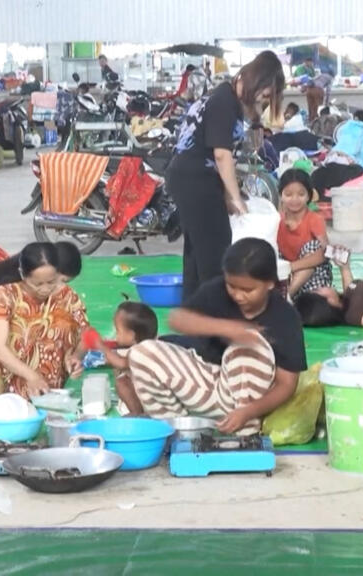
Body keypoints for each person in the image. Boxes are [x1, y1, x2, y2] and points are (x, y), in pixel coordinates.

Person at [124, 238, 307, 435]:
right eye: (232, 286)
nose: (238, 295)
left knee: (249, 346)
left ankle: (245, 433)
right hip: (207, 384)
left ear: (270, 284)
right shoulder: (217, 290)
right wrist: (226, 329)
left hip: (249, 402)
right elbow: (178, 319)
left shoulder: (286, 318)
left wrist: (249, 411)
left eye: (248, 290)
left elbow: (287, 384)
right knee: (142, 353)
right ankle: (177, 430)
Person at [167, 49, 285, 302]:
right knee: (215, 254)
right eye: (265, 94)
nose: (264, 100)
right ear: (258, 81)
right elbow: (222, 155)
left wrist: (230, 194)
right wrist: (235, 198)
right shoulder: (224, 102)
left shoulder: (225, 98)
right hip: (195, 180)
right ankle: (214, 313)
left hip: (192, 179)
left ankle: (194, 312)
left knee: (198, 253)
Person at [0, 242, 89, 399]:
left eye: (51, 282)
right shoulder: (5, 294)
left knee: (62, 322)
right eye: (38, 284)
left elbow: (86, 334)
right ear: (22, 275)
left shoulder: (67, 296)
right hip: (9, 373)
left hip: (46, 378)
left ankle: (45, 384)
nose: (45, 289)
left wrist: (76, 356)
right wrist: (31, 376)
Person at [96, 301, 159, 418]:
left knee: (122, 382)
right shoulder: (154, 344)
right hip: (154, 396)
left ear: (132, 336)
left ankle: (137, 414)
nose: (115, 336)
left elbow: (121, 363)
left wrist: (101, 346)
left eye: (118, 331)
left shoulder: (142, 352)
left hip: (153, 401)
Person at [276, 169, 331, 298]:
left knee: (313, 246)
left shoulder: (314, 219)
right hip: (285, 276)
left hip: (313, 278)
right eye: (288, 194)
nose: (294, 199)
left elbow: (326, 253)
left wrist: (291, 267)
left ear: (309, 196)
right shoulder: (277, 220)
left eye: (301, 194)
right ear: (281, 195)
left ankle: (286, 296)